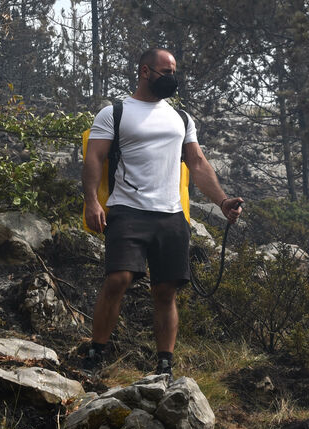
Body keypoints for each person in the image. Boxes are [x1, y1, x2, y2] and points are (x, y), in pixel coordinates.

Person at [81, 48, 243, 378]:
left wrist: (222, 201)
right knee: (118, 279)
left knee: (166, 291)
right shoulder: (114, 113)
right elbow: (94, 158)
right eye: (165, 72)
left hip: (171, 215)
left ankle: (165, 366)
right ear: (145, 71)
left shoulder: (181, 118)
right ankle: (96, 353)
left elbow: (197, 163)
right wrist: (92, 202)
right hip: (127, 210)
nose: (172, 78)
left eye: (174, 72)